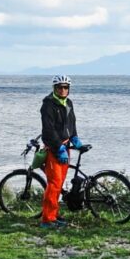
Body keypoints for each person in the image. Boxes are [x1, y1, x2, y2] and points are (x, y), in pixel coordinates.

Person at [38, 75, 87, 229]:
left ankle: (54, 214)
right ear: (54, 88)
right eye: (60, 87)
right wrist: (58, 147)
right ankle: (47, 220)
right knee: (54, 184)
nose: (63, 90)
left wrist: (75, 139)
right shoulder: (48, 105)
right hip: (54, 149)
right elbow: (49, 130)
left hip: (65, 147)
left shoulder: (68, 103)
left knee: (59, 184)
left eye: (66, 87)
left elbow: (71, 124)